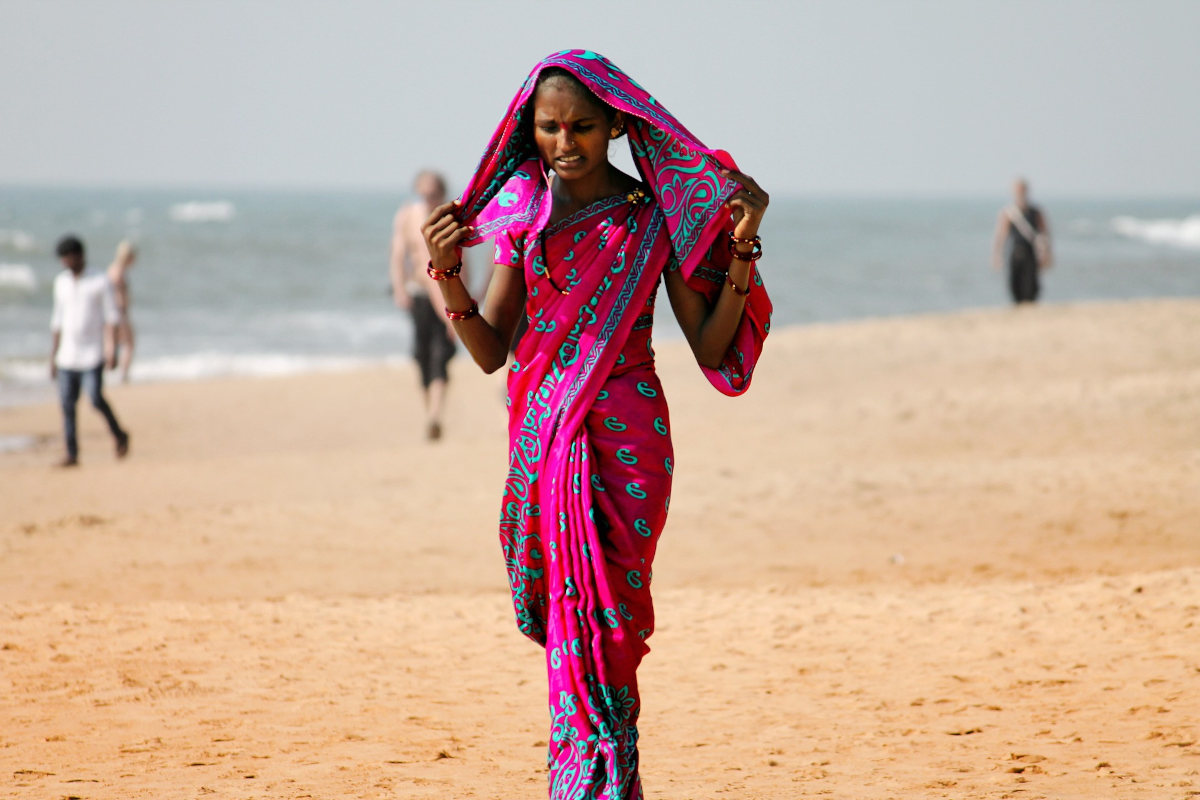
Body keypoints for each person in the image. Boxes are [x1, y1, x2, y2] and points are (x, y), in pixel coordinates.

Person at [421, 50, 772, 798]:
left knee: (611, 632)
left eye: (582, 125)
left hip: (629, 448)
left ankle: (602, 782)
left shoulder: (653, 218)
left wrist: (741, 240)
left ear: (615, 124)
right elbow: (490, 351)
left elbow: (711, 345)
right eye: (549, 127)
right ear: (532, 131)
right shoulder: (525, 218)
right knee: (570, 625)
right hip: (546, 445)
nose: (566, 142)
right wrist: (448, 273)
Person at [390, 170, 462, 440]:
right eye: (424, 193)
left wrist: (462, 305)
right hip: (419, 295)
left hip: (447, 296)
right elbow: (398, 255)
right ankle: (430, 412)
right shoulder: (407, 216)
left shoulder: (450, 219)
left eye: (433, 194)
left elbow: (462, 263)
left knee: (441, 355)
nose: (428, 198)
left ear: (441, 193)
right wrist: (399, 289)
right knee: (421, 355)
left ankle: (435, 414)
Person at [50, 235, 129, 467]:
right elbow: (57, 321)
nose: (66, 263)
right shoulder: (61, 282)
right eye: (63, 259)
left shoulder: (99, 281)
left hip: (92, 353)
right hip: (66, 355)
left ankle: (119, 434)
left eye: (69, 257)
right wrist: (53, 356)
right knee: (67, 404)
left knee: (95, 398)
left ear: (80, 255)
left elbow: (112, 317)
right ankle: (72, 453)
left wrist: (112, 348)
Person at [993, 178, 1053, 304]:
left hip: (1031, 252)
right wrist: (997, 255)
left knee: (1031, 285)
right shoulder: (1009, 213)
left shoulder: (1035, 212)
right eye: (1017, 190)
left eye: (1022, 190)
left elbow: (1044, 233)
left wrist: (1047, 254)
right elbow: (1001, 235)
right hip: (1015, 252)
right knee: (1015, 284)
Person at [106, 239, 137, 382]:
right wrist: (123, 314)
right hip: (119, 313)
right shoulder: (118, 272)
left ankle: (111, 372)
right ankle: (123, 375)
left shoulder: (113, 269)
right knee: (128, 343)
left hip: (114, 313)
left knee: (113, 343)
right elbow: (117, 296)